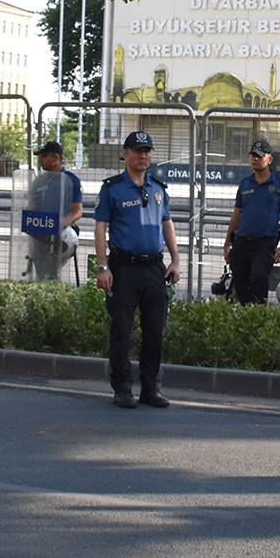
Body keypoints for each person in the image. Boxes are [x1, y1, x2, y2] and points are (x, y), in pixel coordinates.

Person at [94, 130, 180, 408]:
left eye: (147, 151)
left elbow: (167, 224)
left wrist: (175, 260)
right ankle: (122, 388)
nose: (142, 156)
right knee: (122, 330)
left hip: (154, 268)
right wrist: (102, 266)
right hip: (124, 269)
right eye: (137, 150)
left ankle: (150, 387)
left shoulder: (158, 189)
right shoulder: (113, 188)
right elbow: (100, 227)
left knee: (155, 330)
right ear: (125, 154)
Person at [224, 138, 280, 304]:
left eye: (260, 156)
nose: (255, 159)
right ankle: (247, 313)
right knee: (240, 280)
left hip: (265, 242)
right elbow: (236, 216)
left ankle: (259, 315)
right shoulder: (245, 184)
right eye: (253, 155)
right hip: (241, 241)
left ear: (269, 159)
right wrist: (227, 243)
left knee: (259, 277)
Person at [25, 139, 84, 282]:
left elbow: (77, 211)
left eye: (44, 156)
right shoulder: (39, 181)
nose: (40, 160)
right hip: (39, 235)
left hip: (61, 235)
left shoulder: (70, 180)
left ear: (56, 158)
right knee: (40, 273)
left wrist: (60, 223)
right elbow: (31, 208)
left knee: (51, 271)